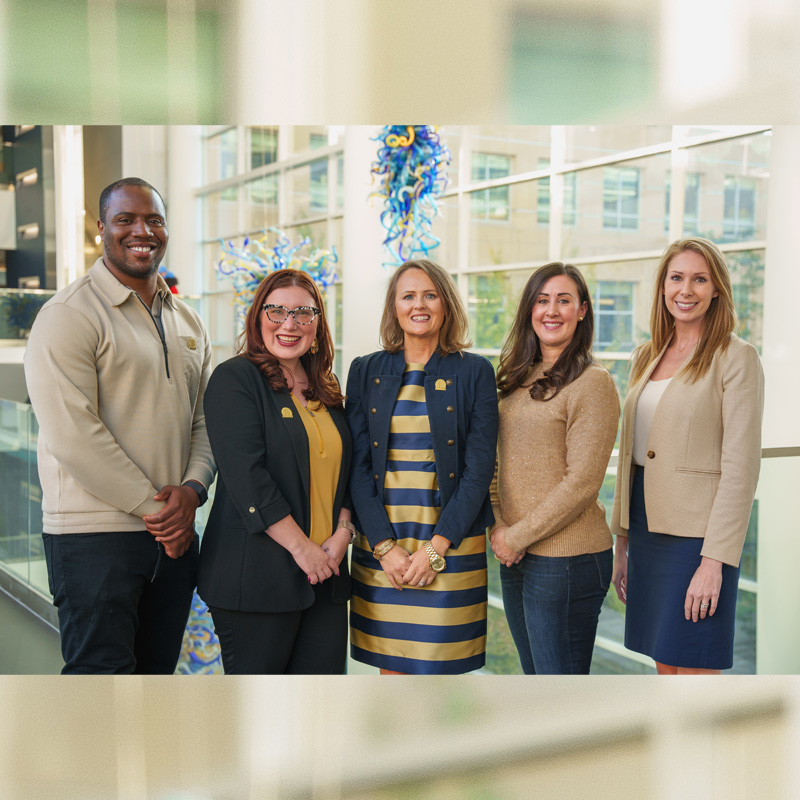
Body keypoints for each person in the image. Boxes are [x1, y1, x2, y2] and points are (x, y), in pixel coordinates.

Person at [24, 177, 216, 674]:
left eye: (153, 219)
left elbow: (206, 419)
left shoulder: (189, 321)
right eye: (125, 219)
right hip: (92, 538)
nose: (141, 231)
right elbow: (74, 436)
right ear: (101, 229)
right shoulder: (67, 314)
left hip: (173, 537)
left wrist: (193, 491)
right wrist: (162, 513)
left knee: (155, 682)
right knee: (99, 685)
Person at [611, 237, 764, 674]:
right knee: (665, 666)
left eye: (700, 279)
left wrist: (714, 560)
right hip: (646, 530)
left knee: (695, 668)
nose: (686, 289)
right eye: (676, 277)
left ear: (717, 288)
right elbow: (632, 457)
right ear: (662, 287)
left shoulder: (737, 358)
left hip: (699, 539)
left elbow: (741, 468)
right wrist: (623, 542)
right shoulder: (646, 356)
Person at [197, 269, 353, 674]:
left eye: (303, 312)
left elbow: (347, 471)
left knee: (321, 716)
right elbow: (248, 479)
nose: (289, 324)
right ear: (257, 318)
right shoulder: (236, 379)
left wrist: (344, 533)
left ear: (318, 324)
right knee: (258, 719)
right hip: (258, 581)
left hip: (326, 576)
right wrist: (304, 551)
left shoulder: (326, 385)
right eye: (277, 310)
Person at [346, 258, 497, 674]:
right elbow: (356, 467)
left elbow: (479, 468)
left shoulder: (476, 372)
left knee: (445, 685)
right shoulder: (365, 371)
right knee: (392, 676)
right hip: (383, 547)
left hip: (452, 544)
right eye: (408, 295)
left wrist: (436, 548)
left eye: (430, 295)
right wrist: (384, 549)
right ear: (394, 306)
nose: (420, 305)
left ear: (446, 303)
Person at [489, 263, 620, 674]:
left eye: (564, 300)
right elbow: (495, 463)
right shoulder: (517, 377)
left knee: (559, 691)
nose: (552, 310)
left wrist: (516, 536)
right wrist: (498, 527)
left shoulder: (593, 382)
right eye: (542, 300)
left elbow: (582, 483)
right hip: (516, 552)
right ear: (529, 309)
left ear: (582, 310)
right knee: (538, 685)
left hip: (566, 560)